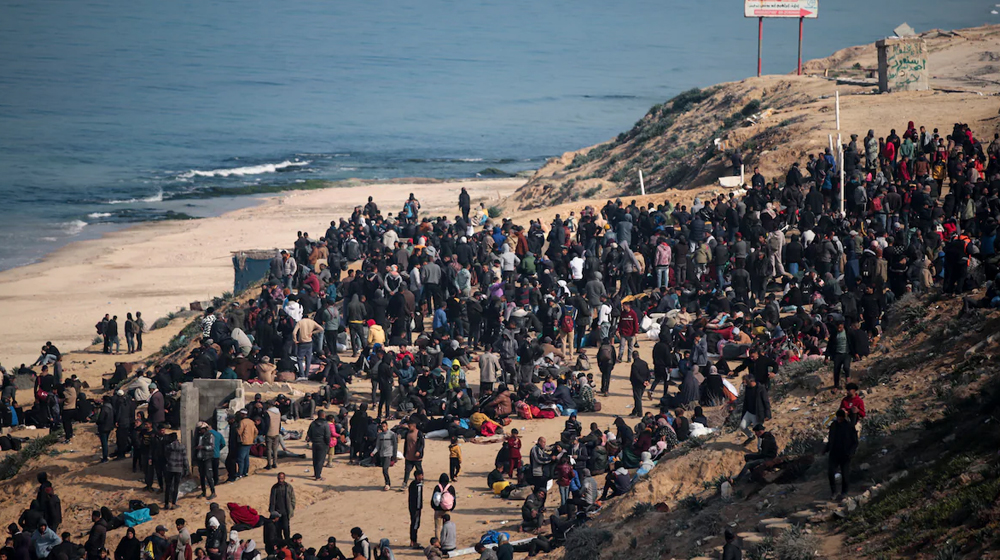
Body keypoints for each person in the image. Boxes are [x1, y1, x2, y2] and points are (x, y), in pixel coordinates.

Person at [825, 409, 858, 500]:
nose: (839, 420)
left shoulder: (849, 427)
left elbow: (855, 442)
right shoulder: (833, 425)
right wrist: (826, 449)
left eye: (840, 418)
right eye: (838, 418)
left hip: (845, 454)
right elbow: (830, 439)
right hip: (834, 453)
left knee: (845, 474)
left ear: (843, 418)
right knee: (830, 473)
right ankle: (834, 492)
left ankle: (844, 492)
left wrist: (851, 452)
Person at [739, 375, 771, 445]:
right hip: (749, 412)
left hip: (758, 413)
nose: (744, 384)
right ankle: (751, 436)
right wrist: (743, 413)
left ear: (750, 381)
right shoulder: (748, 388)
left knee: (759, 432)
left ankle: (760, 448)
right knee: (742, 426)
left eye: (745, 382)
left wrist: (767, 414)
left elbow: (766, 402)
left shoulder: (761, 389)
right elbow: (746, 401)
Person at [268, 473, 296, 543]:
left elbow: (293, 498)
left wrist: (291, 508)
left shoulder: (288, 487)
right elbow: (272, 500)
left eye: (282, 478)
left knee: (286, 529)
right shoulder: (274, 488)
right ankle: (280, 544)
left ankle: (287, 543)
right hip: (277, 513)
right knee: (278, 530)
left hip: (286, 512)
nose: (280, 480)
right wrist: (272, 511)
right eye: (279, 478)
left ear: (284, 478)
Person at [164, 434, 188, 510]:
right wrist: (186, 468)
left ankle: (166, 503)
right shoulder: (182, 447)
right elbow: (185, 458)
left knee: (168, 486)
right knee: (176, 486)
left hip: (170, 468)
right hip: (178, 468)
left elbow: (166, 456)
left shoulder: (168, 447)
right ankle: (174, 503)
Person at [306, 410, 332, 481]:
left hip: (315, 443)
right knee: (320, 460)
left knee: (315, 459)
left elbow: (309, 434)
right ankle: (318, 476)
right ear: (323, 415)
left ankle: (316, 473)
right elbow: (327, 435)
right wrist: (327, 443)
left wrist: (312, 440)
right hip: (322, 444)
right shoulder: (325, 424)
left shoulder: (313, 423)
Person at [372, 421, 397, 491]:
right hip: (382, 454)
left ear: (387, 426)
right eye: (382, 426)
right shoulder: (380, 435)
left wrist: (394, 455)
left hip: (388, 454)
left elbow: (395, 445)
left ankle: (388, 483)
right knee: (384, 469)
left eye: (384, 426)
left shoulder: (392, 434)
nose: (383, 428)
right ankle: (387, 482)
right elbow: (378, 446)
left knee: (385, 469)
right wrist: (373, 453)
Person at [195, 422, 217, 499]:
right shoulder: (198, 436)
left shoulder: (210, 435)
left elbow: (212, 447)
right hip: (200, 458)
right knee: (201, 476)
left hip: (207, 458)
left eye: (201, 429)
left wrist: (203, 447)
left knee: (209, 476)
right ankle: (203, 492)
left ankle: (213, 492)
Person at [402, 419, 425, 488]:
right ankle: (405, 483)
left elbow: (422, 444)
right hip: (409, 456)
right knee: (407, 470)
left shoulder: (419, 433)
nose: (409, 427)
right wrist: (405, 453)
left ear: (414, 425)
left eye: (410, 426)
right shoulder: (407, 433)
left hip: (417, 457)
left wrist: (418, 451)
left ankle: (421, 480)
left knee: (419, 469)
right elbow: (406, 444)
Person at [629, 352, 650, 417]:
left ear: (633, 356)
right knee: (638, 397)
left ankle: (640, 413)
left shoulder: (634, 365)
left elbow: (636, 375)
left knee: (638, 398)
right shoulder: (644, 363)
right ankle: (634, 411)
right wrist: (647, 381)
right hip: (644, 383)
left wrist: (643, 381)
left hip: (637, 383)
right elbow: (648, 373)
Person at [408, 470, 424, 549]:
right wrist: (416, 508)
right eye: (420, 475)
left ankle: (414, 540)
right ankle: (413, 541)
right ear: (417, 476)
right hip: (414, 508)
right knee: (414, 524)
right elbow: (413, 498)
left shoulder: (419, 485)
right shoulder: (414, 485)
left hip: (417, 508)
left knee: (416, 524)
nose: (422, 477)